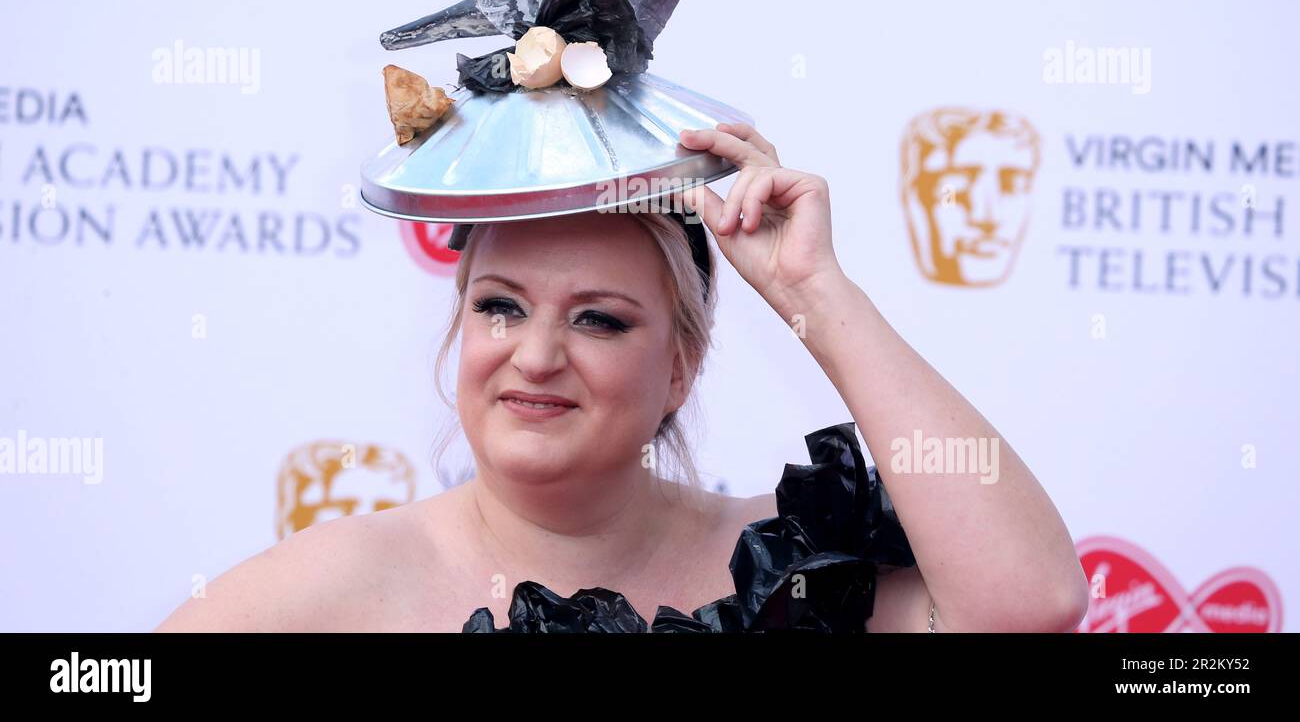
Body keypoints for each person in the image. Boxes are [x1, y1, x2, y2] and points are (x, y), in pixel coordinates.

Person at [156, 122, 1089, 632]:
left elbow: (1027, 604)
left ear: (680, 365)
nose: (535, 355)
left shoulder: (787, 578)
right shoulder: (332, 596)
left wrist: (813, 289)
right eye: (500, 306)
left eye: (599, 319)